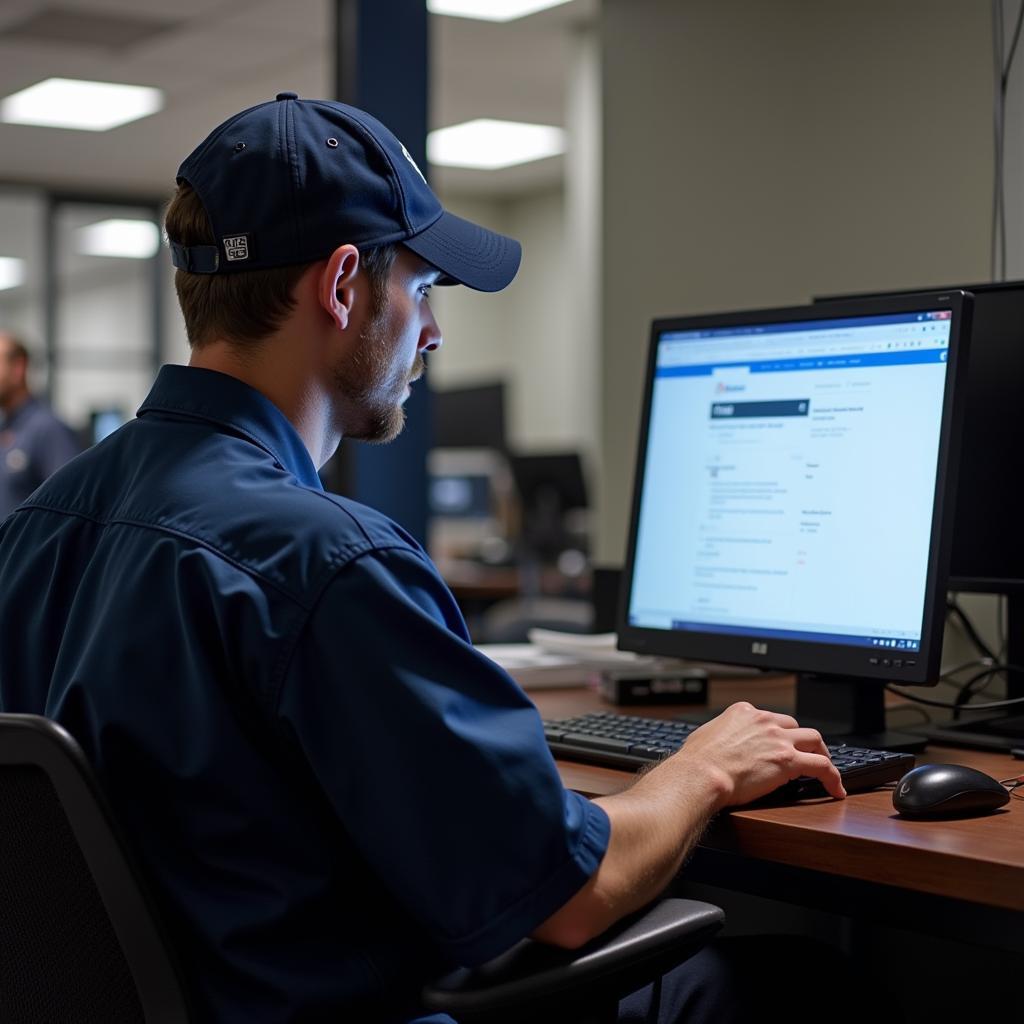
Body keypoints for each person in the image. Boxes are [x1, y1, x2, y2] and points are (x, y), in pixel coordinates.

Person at [0, 94, 846, 1023]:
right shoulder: (325, 564)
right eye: (424, 290)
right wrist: (705, 765)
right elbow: (572, 896)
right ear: (343, 284)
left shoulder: (32, 530)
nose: (433, 333)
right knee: (787, 981)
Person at [0, 331, 80, 517]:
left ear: (18, 368)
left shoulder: (48, 429)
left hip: (26, 546)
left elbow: (69, 506)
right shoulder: (6, 427)